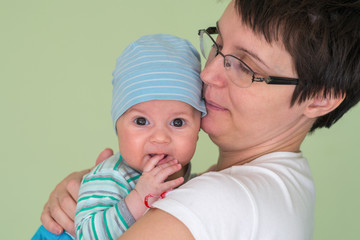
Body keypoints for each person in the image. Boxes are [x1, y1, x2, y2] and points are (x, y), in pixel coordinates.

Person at [39, 0, 360, 239]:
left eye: (245, 66)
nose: (208, 73)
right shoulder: (287, 185)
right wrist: (98, 190)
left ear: (320, 97)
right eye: (218, 44)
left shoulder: (216, 201)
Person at [32, 34, 206, 240]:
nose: (160, 138)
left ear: (199, 128)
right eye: (141, 121)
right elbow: (88, 235)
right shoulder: (111, 177)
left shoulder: (182, 174)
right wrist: (139, 199)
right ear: (118, 126)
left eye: (177, 122)